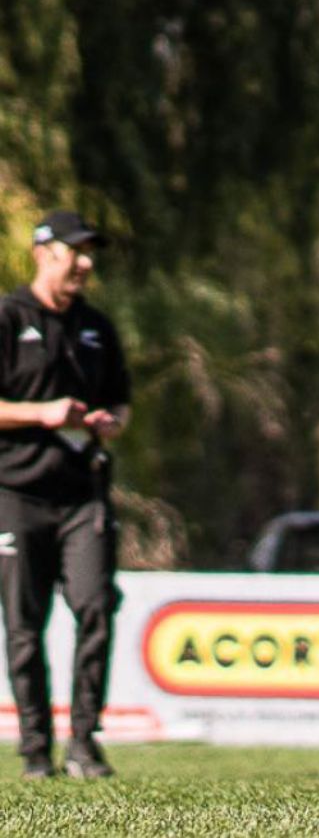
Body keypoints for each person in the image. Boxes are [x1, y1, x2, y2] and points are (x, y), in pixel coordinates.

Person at [0, 211, 130, 779]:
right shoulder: (7, 318)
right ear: (43, 253)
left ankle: (83, 742)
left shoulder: (97, 327)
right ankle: (34, 750)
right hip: (15, 491)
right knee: (25, 623)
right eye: (76, 251)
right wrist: (43, 414)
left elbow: (122, 405)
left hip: (84, 494)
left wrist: (108, 421)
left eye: (89, 253)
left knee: (95, 607)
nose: (85, 263)